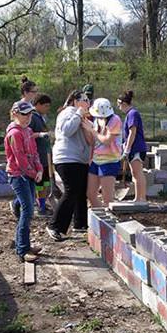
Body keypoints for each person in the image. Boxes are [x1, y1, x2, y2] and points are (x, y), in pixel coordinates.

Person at [47, 91, 94, 241]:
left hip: (80, 159)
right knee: (71, 190)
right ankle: (55, 226)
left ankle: (80, 225)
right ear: (74, 101)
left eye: (88, 100)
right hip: (67, 158)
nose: (87, 103)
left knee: (81, 192)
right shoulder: (68, 112)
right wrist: (79, 112)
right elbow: (67, 131)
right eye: (84, 100)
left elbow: (90, 138)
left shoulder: (82, 116)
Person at [5, 101, 44, 262]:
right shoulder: (14, 133)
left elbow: (34, 152)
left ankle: (15, 205)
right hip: (17, 175)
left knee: (25, 206)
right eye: (24, 114)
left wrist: (40, 169)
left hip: (29, 174)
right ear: (15, 114)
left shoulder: (28, 130)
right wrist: (34, 173)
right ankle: (22, 250)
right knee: (28, 211)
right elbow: (20, 158)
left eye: (30, 114)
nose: (28, 117)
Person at [10, 77, 52, 218]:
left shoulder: (33, 111)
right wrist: (40, 135)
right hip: (23, 155)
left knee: (35, 185)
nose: (35, 94)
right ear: (26, 92)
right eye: (33, 91)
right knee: (30, 186)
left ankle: (30, 204)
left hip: (35, 151)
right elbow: (21, 133)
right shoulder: (19, 108)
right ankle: (24, 206)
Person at [87, 98, 122, 208]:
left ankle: (108, 221)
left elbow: (107, 141)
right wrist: (90, 157)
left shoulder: (115, 120)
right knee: (91, 194)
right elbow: (92, 141)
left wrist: (93, 132)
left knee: (107, 198)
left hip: (110, 160)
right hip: (96, 160)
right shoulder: (96, 120)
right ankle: (98, 218)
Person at [118, 90, 147, 203]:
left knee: (138, 173)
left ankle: (142, 198)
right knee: (134, 174)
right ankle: (137, 198)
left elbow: (132, 132)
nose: (119, 107)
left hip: (137, 149)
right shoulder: (130, 114)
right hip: (132, 149)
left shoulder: (132, 114)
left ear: (124, 104)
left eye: (119, 105)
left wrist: (127, 149)